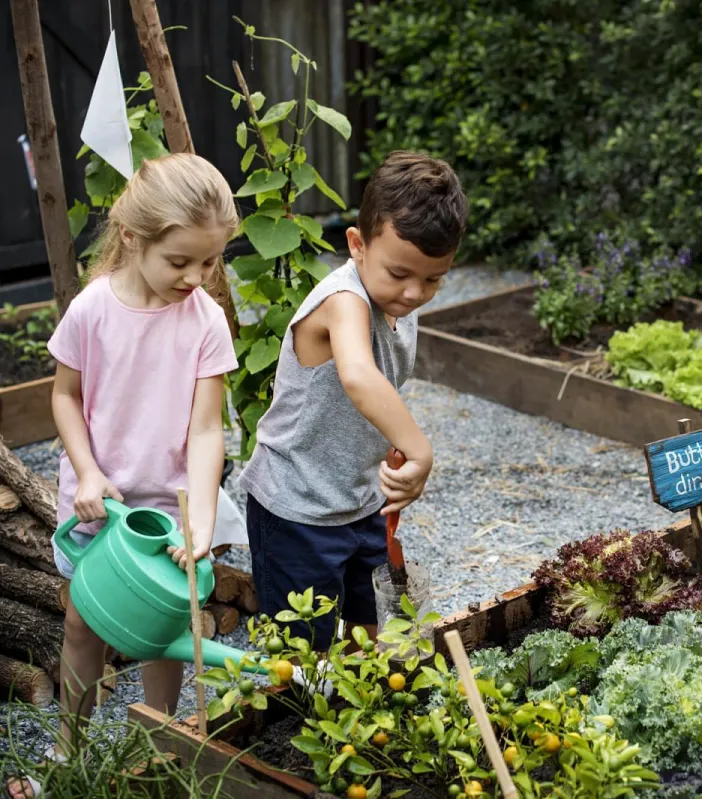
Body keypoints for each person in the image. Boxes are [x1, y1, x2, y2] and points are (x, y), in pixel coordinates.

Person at [7, 153, 239, 799]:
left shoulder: (206, 321)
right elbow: (65, 398)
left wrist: (198, 518)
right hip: (98, 503)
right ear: (135, 238)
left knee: (167, 629)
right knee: (82, 625)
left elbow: (204, 428)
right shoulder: (92, 310)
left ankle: (163, 740)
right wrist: (86, 470)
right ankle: (68, 745)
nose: (196, 277)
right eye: (181, 261)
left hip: (171, 503)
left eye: (210, 262)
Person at [239, 150, 468, 651]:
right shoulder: (342, 301)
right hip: (296, 508)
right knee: (304, 655)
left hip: (359, 501)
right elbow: (361, 377)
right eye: (400, 273)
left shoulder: (396, 300)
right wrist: (420, 449)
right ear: (357, 245)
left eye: (433, 279)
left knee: (376, 630)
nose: (413, 293)